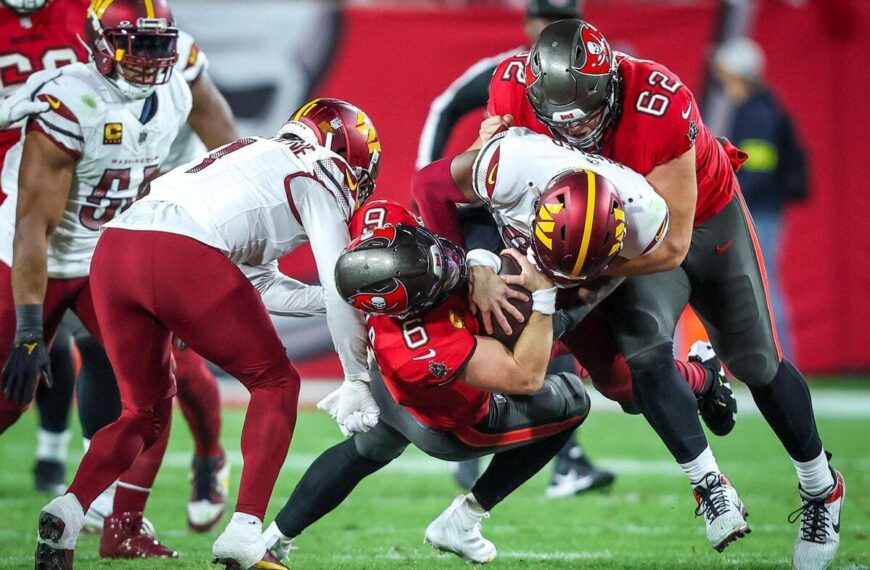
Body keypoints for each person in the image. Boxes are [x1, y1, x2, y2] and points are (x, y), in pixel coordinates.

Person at [436, 19, 841, 567]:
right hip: (612, 234)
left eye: (588, 115)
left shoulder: (660, 102)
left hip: (698, 221)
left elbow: (673, 247)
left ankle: (821, 487)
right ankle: (708, 485)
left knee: (758, 363)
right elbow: (475, 174)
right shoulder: (512, 86)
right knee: (646, 355)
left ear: (611, 86)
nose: (576, 130)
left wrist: (561, 274)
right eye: (562, 120)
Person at [33, 97, 382, 570]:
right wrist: (357, 378)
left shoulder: (254, 152)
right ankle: (244, 531)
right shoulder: (316, 173)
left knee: (143, 413)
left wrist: (331, 302)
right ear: (349, 154)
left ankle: (69, 510)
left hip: (116, 249)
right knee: (276, 382)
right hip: (182, 252)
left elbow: (263, 283)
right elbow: (341, 282)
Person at [0, 0, 240, 534]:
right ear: (102, 46)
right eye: (137, 45)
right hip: (37, 248)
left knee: (154, 386)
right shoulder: (70, 99)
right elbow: (32, 225)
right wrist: (29, 328)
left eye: (160, 45)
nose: (150, 59)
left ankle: (111, 502)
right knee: (8, 399)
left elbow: (228, 147)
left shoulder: (178, 85)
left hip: (111, 246)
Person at [261, 200, 590, 566]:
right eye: (439, 278)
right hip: (450, 425)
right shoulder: (423, 349)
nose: (450, 266)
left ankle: (270, 541)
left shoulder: (378, 224)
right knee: (573, 399)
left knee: (364, 451)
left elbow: (427, 202)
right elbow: (525, 376)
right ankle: (466, 518)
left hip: (385, 387)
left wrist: (480, 262)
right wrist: (544, 296)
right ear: (412, 306)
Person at [416, 0, 613, 498]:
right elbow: (444, 106)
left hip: (565, 219)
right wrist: (440, 174)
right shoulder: (507, 71)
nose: (550, 28)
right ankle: (480, 435)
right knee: (516, 321)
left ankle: (550, 455)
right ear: (528, 24)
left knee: (546, 327)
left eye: (561, 18)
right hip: (506, 215)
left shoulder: (601, 76)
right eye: (544, 19)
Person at [712, 37, 808, 359]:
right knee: (758, 285)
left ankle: (780, 359)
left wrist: (728, 201)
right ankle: (768, 358)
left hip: (758, 212)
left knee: (763, 285)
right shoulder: (756, 108)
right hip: (759, 209)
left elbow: (759, 169)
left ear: (736, 72)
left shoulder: (756, 113)